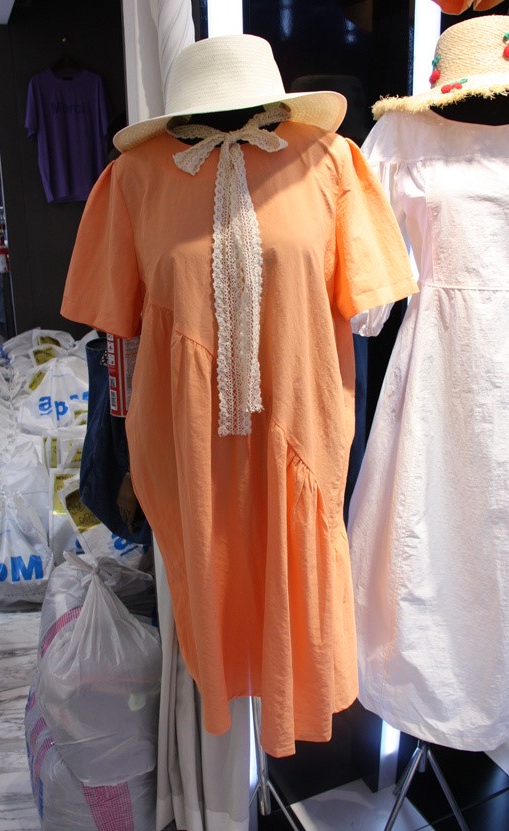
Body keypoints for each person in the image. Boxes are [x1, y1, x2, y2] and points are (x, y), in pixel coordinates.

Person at [61, 33, 416, 757]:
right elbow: (116, 321)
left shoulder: (332, 162)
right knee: (211, 579)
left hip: (300, 425)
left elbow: (371, 303)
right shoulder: (131, 180)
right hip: (188, 441)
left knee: (299, 581)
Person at [348, 14, 509, 752]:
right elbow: (366, 276)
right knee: (436, 525)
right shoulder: (399, 139)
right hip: (443, 357)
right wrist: (372, 309)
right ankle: (444, 695)